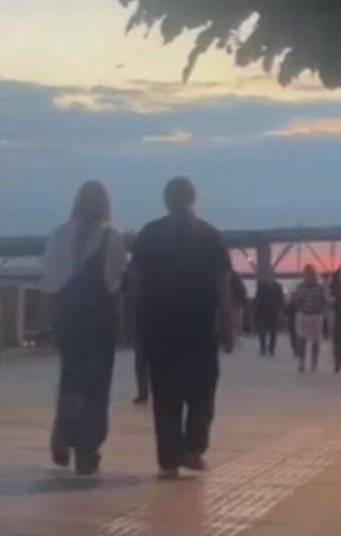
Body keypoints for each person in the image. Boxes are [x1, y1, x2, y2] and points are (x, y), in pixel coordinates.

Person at [131, 177, 236, 479]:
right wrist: (228, 325)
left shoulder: (150, 234)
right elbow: (223, 288)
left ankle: (168, 458)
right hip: (199, 327)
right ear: (193, 198)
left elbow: (136, 283)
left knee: (165, 394)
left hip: (159, 327)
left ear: (166, 201)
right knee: (202, 390)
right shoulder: (210, 236)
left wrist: (134, 323)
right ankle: (193, 446)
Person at [42, 181, 128, 476]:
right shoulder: (111, 236)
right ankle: (87, 449)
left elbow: (49, 282)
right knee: (96, 386)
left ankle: (62, 434)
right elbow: (114, 282)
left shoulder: (58, 235)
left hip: (67, 320)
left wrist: (51, 320)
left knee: (70, 379)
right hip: (98, 321)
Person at [291, 265, 328, 373]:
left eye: (310, 274)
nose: (308, 276)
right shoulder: (300, 286)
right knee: (302, 339)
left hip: (316, 315)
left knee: (315, 340)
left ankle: (314, 363)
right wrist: (298, 300)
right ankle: (302, 362)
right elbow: (295, 301)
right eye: (307, 274)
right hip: (304, 315)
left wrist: (321, 309)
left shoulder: (319, 287)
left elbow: (324, 300)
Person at [123, 260, 150, 404]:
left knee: (142, 360)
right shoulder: (135, 277)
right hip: (143, 323)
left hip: (144, 322)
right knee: (142, 360)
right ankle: (144, 391)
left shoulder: (133, 279)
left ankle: (144, 391)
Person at [254, 273, 286, 357]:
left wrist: (280, 309)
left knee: (273, 332)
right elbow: (258, 299)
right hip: (263, 311)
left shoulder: (277, 286)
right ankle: (263, 348)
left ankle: (271, 348)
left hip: (273, 312)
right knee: (263, 332)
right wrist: (257, 310)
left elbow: (281, 299)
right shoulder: (262, 286)